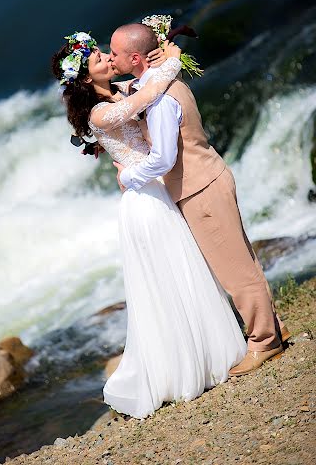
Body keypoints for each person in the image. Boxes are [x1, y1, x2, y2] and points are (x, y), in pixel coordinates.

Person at [52, 30, 246, 419]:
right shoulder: (99, 113)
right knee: (168, 277)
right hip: (143, 199)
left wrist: (156, 54)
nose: (108, 58)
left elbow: (142, 82)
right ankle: (181, 368)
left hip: (155, 189)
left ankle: (206, 351)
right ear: (87, 79)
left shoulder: (117, 91)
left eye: (106, 54)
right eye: (98, 60)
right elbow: (148, 96)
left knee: (186, 268)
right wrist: (172, 58)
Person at [110, 22, 290, 377]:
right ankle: (275, 327)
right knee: (241, 260)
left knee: (234, 270)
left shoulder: (160, 100)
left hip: (200, 187)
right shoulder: (152, 83)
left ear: (134, 57)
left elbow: (163, 159)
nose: (111, 57)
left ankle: (264, 342)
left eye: (114, 53)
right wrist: (170, 58)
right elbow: (128, 92)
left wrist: (129, 177)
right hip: (205, 180)